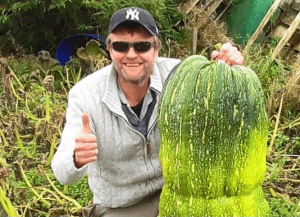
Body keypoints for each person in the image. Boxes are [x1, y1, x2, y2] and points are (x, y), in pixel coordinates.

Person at [51, 6, 244, 217]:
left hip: (177, 191)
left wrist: (226, 71)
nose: (131, 55)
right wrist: (77, 157)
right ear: (109, 49)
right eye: (121, 46)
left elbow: (224, 109)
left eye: (142, 46)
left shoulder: (180, 77)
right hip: (122, 206)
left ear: (157, 49)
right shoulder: (86, 95)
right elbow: (61, 171)